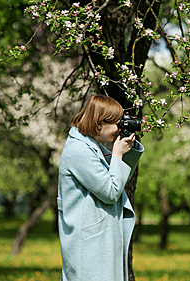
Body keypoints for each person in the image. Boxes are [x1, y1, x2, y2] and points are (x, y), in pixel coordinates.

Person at [57, 94, 144, 281]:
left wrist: (126, 149)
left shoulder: (90, 147)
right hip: (88, 246)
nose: (119, 128)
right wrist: (118, 154)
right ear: (99, 123)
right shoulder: (78, 150)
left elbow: (116, 179)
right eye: (116, 123)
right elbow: (111, 191)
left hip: (98, 242)